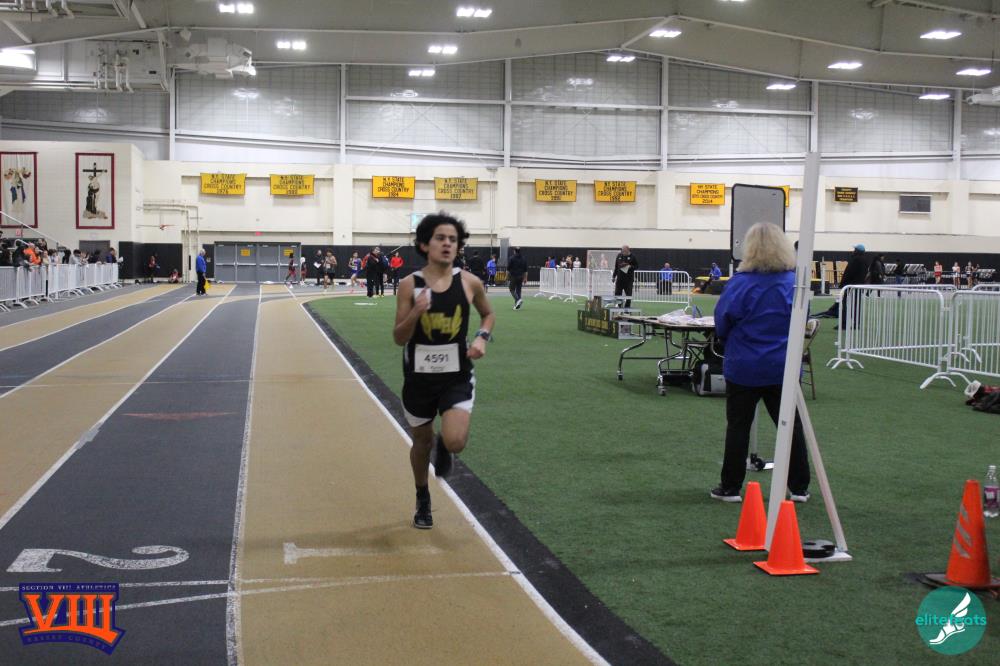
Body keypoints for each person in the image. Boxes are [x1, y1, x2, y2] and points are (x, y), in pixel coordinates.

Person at [393, 213, 495, 529]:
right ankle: (422, 496)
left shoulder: (469, 282)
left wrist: (482, 337)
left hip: (456, 374)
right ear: (425, 244)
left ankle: (446, 448)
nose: (447, 244)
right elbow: (399, 337)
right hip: (419, 379)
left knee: (454, 441)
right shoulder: (409, 285)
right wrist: (416, 312)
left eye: (453, 239)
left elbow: (488, 314)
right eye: (440, 238)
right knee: (422, 442)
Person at [711, 222, 811, 503]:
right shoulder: (794, 283)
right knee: (790, 427)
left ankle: (731, 487)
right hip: (783, 365)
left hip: (744, 365)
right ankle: (799, 487)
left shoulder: (739, 283)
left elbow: (722, 321)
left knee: (738, 426)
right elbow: (802, 320)